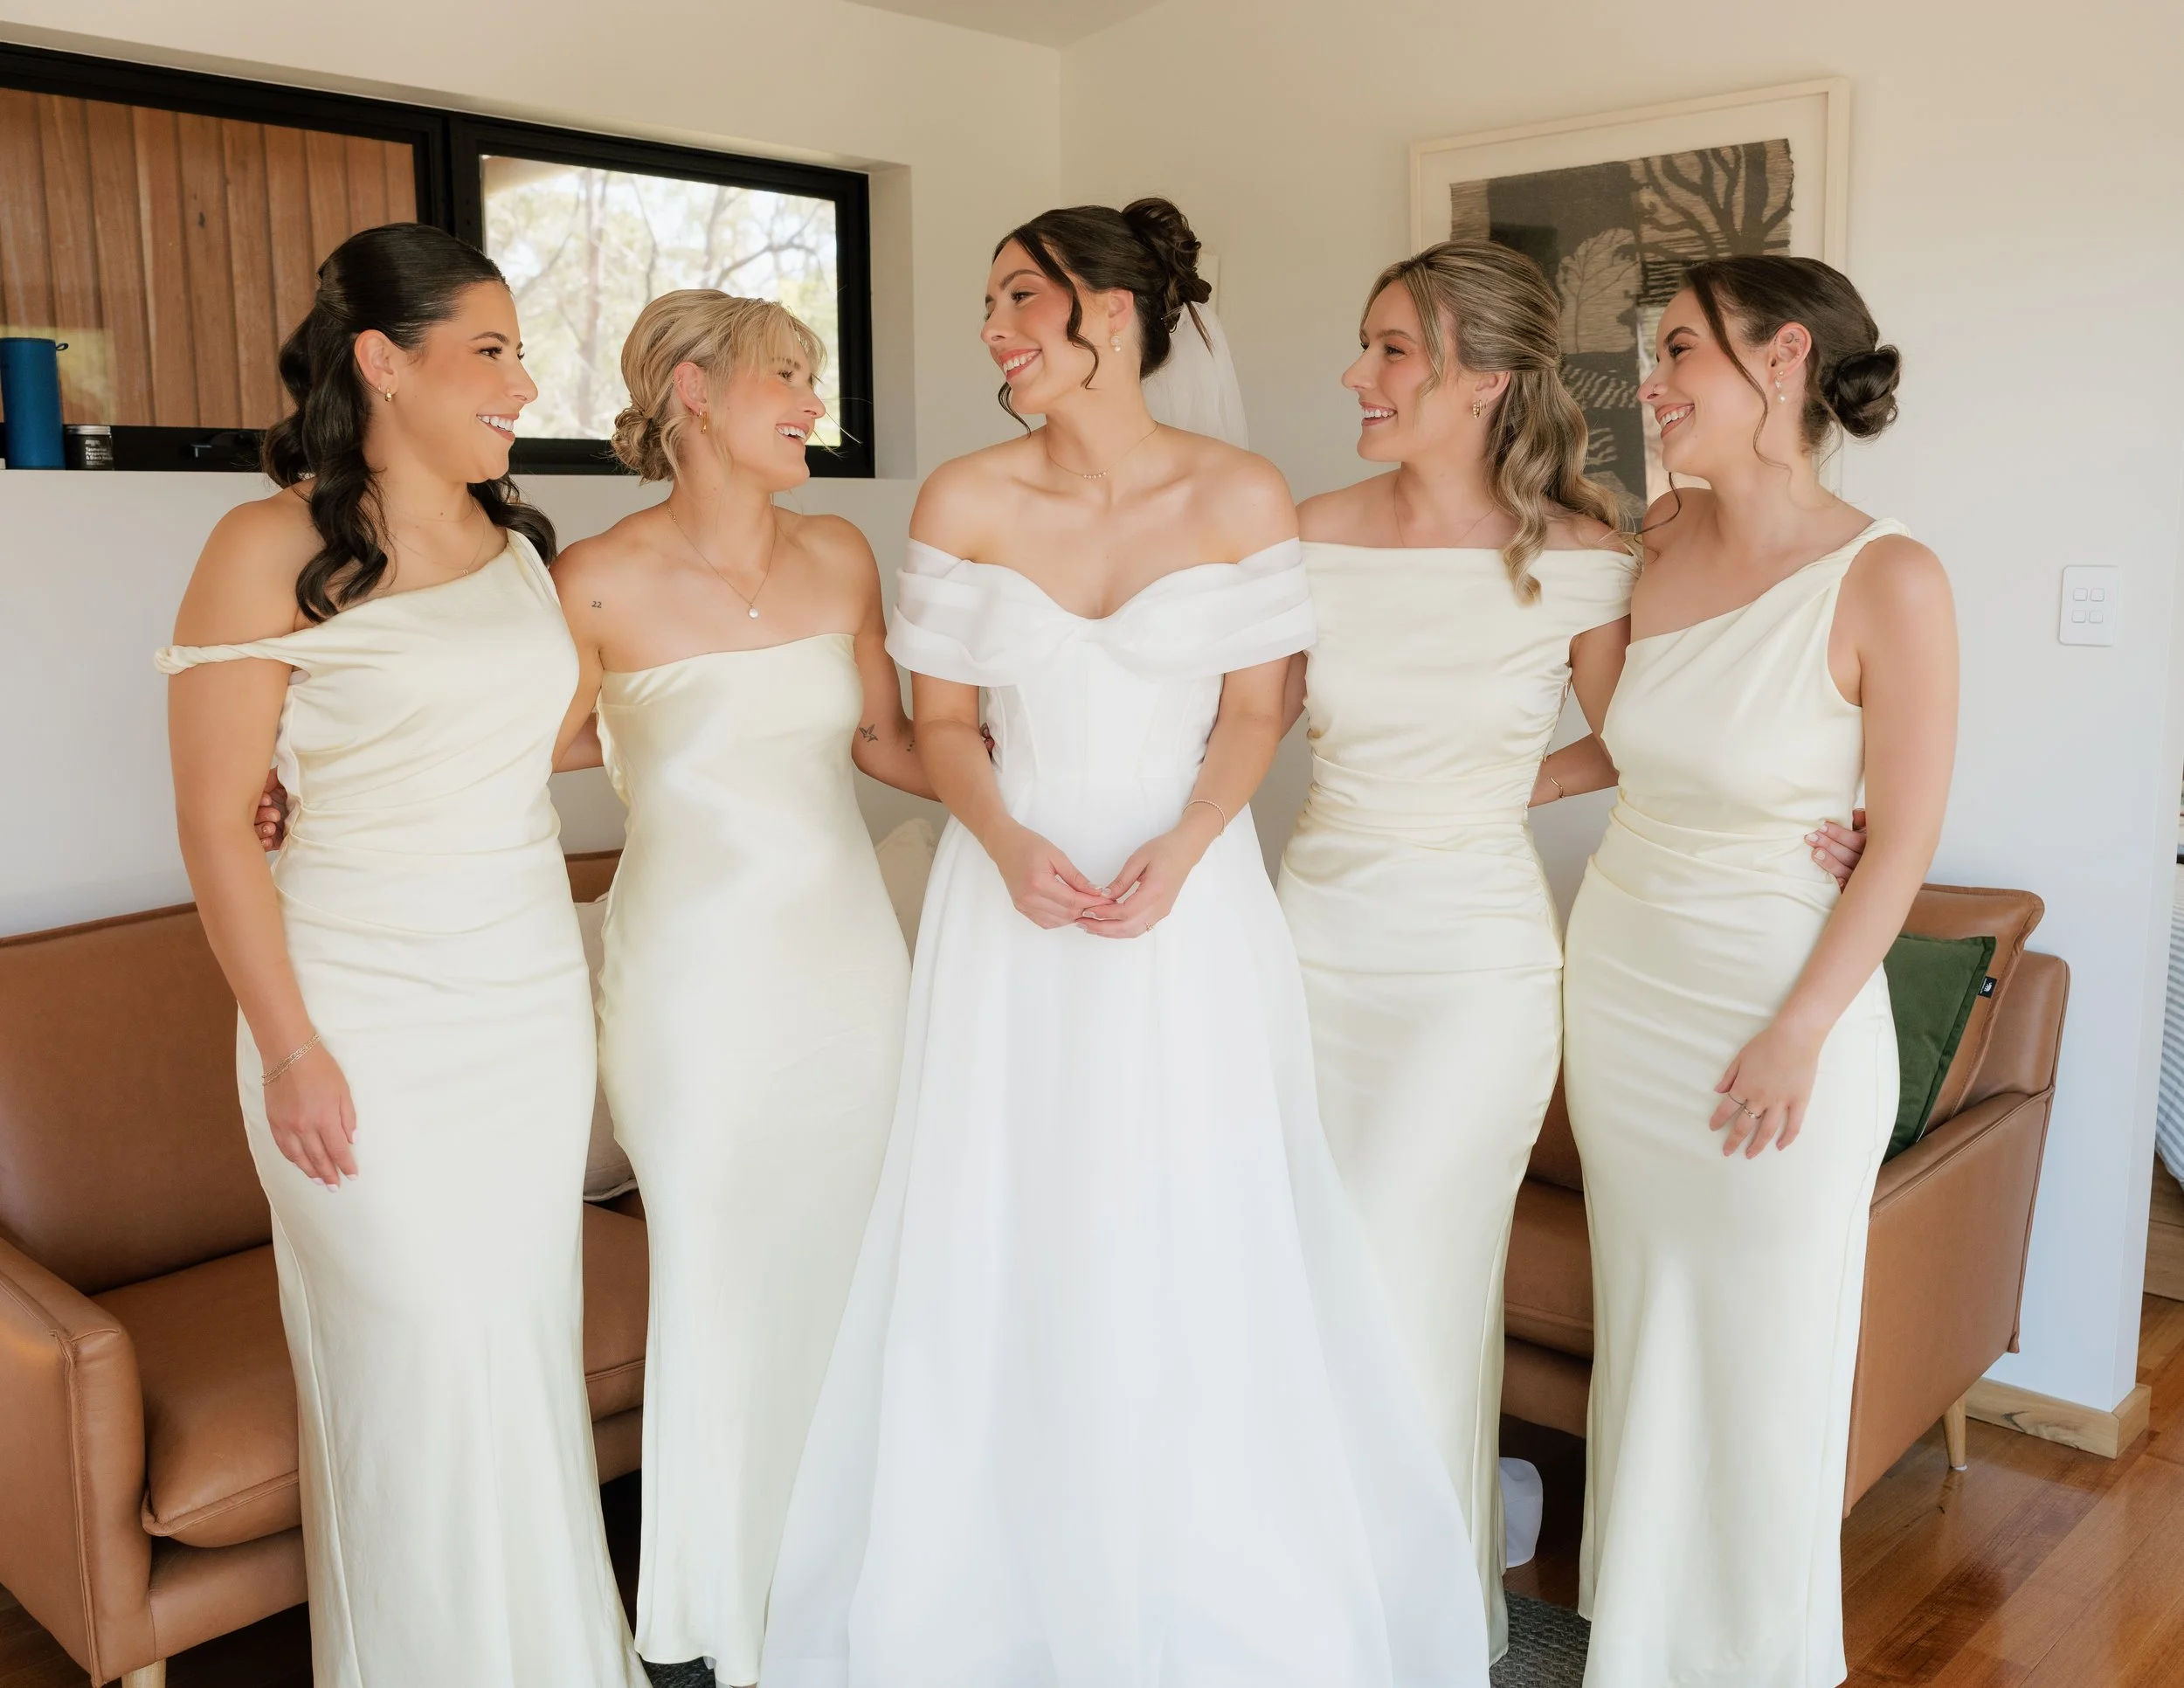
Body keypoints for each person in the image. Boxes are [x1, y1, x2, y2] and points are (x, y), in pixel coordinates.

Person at [760, 199, 1489, 1688]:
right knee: (1004, 1208)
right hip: (1009, 904)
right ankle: (992, 1581)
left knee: (1188, 1205)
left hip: (1187, 903)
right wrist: (1007, 839)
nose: (992, 331)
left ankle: (1205, 1568)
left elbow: (1255, 710)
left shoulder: (1240, 494)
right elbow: (943, 725)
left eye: (1016, 298)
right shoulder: (963, 499)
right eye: (990, 303)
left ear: (1108, 313)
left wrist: (1187, 844)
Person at [159, 224, 644, 1688]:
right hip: (358, 1017)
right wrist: (293, 1047)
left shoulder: (520, 547)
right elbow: (214, 830)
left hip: (519, 1005)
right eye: (490, 350)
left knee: (510, 1365)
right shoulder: (268, 546)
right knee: (416, 1368)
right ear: (384, 361)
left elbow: (547, 746)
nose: (519, 378)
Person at [1561, 255, 1953, 1688]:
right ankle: (1641, 1650)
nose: (1649, 386)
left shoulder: (1889, 575)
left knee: (1764, 1358)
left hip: (1781, 1010)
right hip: (1622, 987)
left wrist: (1801, 1030)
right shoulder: (1654, 546)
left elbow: (1903, 838)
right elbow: (1628, 749)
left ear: (1783, 360)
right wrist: (1450, 787)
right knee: (1652, 1336)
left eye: (1675, 353)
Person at [549, 290, 924, 1686]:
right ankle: (723, 1606)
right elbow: (508, 748)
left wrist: (1052, 799)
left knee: (856, 1261)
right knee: (717, 1267)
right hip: (693, 995)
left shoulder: (841, 556)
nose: (812, 403)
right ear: (694, 394)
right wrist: (313, 790)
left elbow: (887, 747)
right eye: (789, 375)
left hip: (847, 980)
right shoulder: (589, 579)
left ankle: (861, 1565)